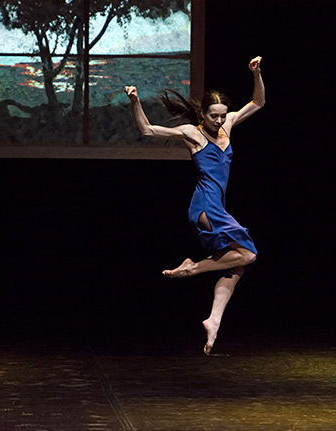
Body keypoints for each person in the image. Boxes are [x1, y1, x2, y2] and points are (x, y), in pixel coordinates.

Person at [124, 56, 265, 355]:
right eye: (214, 115)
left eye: (222, 115)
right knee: (250, 254)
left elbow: (257, 102)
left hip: (218, 208)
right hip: (204, 207)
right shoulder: (193, 133)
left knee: (237, 264)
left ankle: (213, 321)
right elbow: (147, 130)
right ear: (203, 113)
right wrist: (135, 101)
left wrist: (256, 73)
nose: (219, 120)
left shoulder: (228, 124)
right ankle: (192, 269)